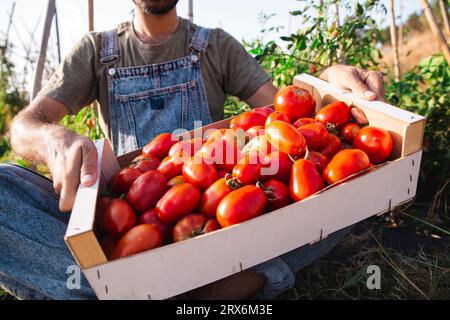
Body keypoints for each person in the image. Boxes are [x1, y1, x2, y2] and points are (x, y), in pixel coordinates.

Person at [0, 0, 384, 300]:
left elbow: (284, 116)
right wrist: (49, 139)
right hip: (125, 220)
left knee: (352, 191)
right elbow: (24, 125)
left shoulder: (214, 46)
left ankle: (163, 290)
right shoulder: (96, 51)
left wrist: (327, 84)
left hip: (218, 228)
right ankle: (199, 289)